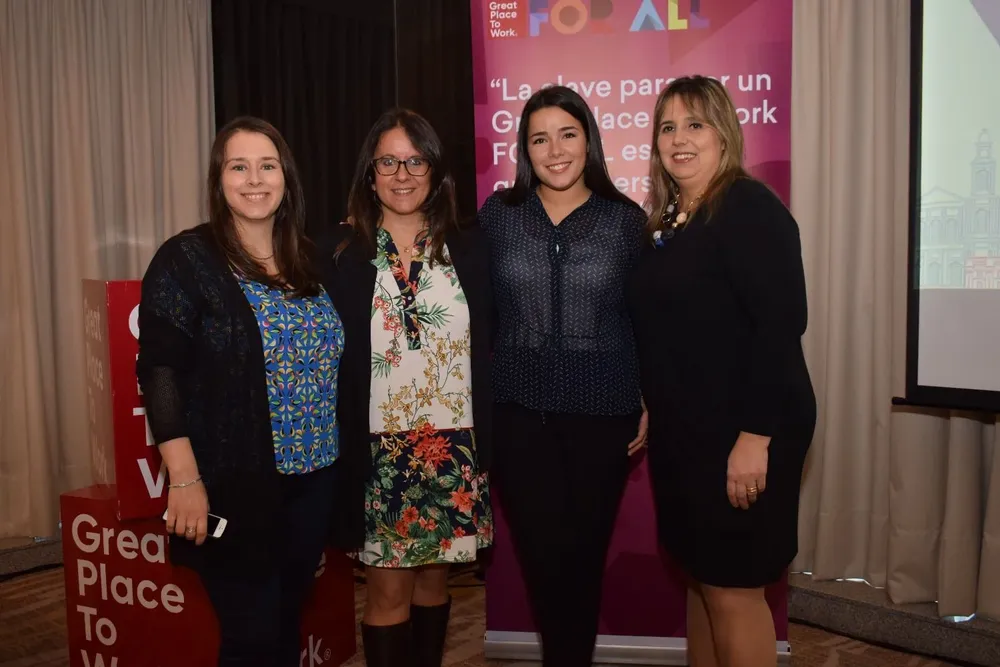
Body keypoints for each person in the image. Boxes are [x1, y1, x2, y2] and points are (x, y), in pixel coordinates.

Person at [136, 116, 355, 667]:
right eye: (239, 166)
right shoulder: (187, 259)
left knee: (283, 629)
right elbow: (159, 370)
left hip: (313, 484)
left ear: (286, 179)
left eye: (267, 166)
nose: (254, 179)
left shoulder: (310, 259)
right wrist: (184, 479)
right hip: (234, 485)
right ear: (219, 180)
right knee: (251, 639)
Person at [627, 75, 817, 667]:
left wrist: (755, 438)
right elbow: (675, 330)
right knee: (705, 579)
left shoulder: (748, 208)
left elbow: (780, 328)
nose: (680, 139)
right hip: (687, 435)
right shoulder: (667, 222)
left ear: (724, 133)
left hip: (744, 431)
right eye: (668, 127)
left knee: (735, 589)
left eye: (695, 124)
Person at [477, 85, 648, 666]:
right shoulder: (498, 216)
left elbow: (647, 318)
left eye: (567, 134)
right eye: (539, 138)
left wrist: (649, 395)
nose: (555, 150)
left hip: (604, 417)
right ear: (525, 149)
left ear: (589, 140)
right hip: (519, 418)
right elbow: (475, 309)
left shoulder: (626, 222)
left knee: (582, 561)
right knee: (543, 563)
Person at [317, 108, 494, 667]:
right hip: (380, 453)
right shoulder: (338, 253)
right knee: (388, 592)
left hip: (452, 450)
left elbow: (492, 342)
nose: (401, 173)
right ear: (370, 174)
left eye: (415, 160)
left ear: (435, 171)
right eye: (388, 161)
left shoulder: (470, 247)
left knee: (435, 587)